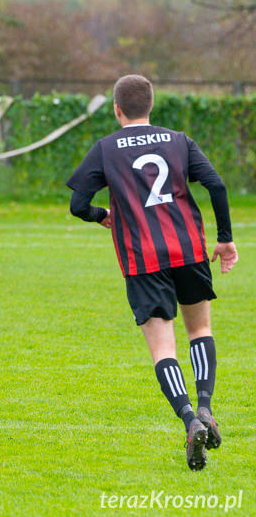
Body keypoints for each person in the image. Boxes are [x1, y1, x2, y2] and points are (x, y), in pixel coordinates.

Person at [67, 74, 238, 471]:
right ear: (151, 105)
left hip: (142, 257)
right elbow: (216, 185)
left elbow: (77, 204)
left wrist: (101, 215)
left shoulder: (106, 148)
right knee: (200, 330)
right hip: (189, 249)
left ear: (116, 109)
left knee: (164, 348)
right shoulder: (179, 140)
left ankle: (188, 419)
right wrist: (225, 239)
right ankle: (206, 407)